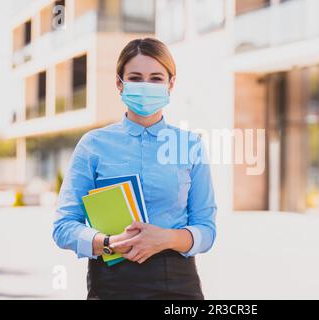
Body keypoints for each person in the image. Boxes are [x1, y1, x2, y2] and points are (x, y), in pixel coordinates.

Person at [52, 37, 217, 300]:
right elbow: (63, 226)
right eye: (136, 78)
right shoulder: (93, 145)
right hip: (111, 279)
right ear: (119, 83)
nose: (146, 86)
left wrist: (166, 238)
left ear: (171, 83)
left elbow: (206, 229)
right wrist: (108, 242)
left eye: (156, 78)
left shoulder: (190, 145)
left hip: (176, 281)